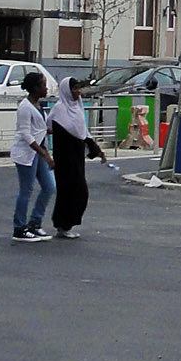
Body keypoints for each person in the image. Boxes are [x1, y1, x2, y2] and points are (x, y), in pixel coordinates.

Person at [47, 77, 107, 239]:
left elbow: (83, 132)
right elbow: (49, 126)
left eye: (79, 88)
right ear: (67, 90)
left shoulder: (78, 107)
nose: (77, 92)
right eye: (74, 89)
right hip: (64, 157)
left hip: (77, 157)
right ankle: (62, 225)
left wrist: (97, 150)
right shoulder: (59, 109)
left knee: (80, 192)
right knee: (67, 191)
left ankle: (67, 223)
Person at [10, 71, 55, 242]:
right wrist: (44, 154)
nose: (46, 88)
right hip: (26, 154)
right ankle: (19, 228)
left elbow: (40, 130)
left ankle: (35, 223)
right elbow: (26, 134)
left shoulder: (37, 105)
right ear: (35, 87)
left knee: (49, 187)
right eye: (43, 85)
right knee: (26, 190)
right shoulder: (25, 107)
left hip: (38, 152)